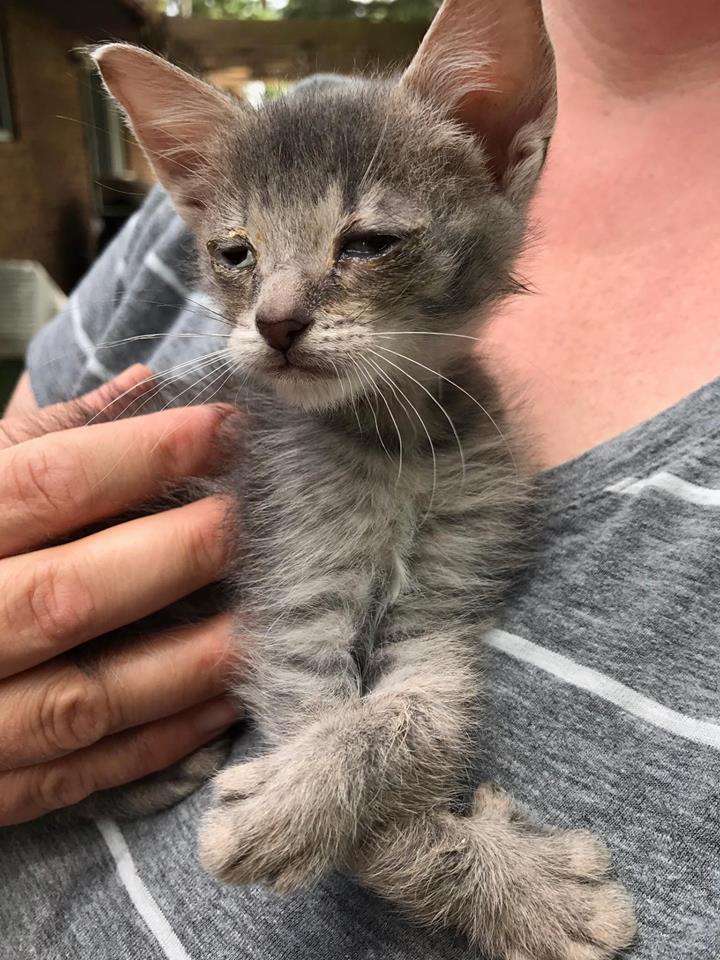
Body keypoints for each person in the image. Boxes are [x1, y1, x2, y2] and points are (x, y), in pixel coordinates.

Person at [1, 0, 718, 957]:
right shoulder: (261, 409)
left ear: (499, 149)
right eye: (238, 255)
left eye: (367, 242)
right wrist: (454, 868)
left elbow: (421, 663)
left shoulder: (474, 439)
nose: (277, 310)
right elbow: (307, 693)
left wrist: (373, 772)